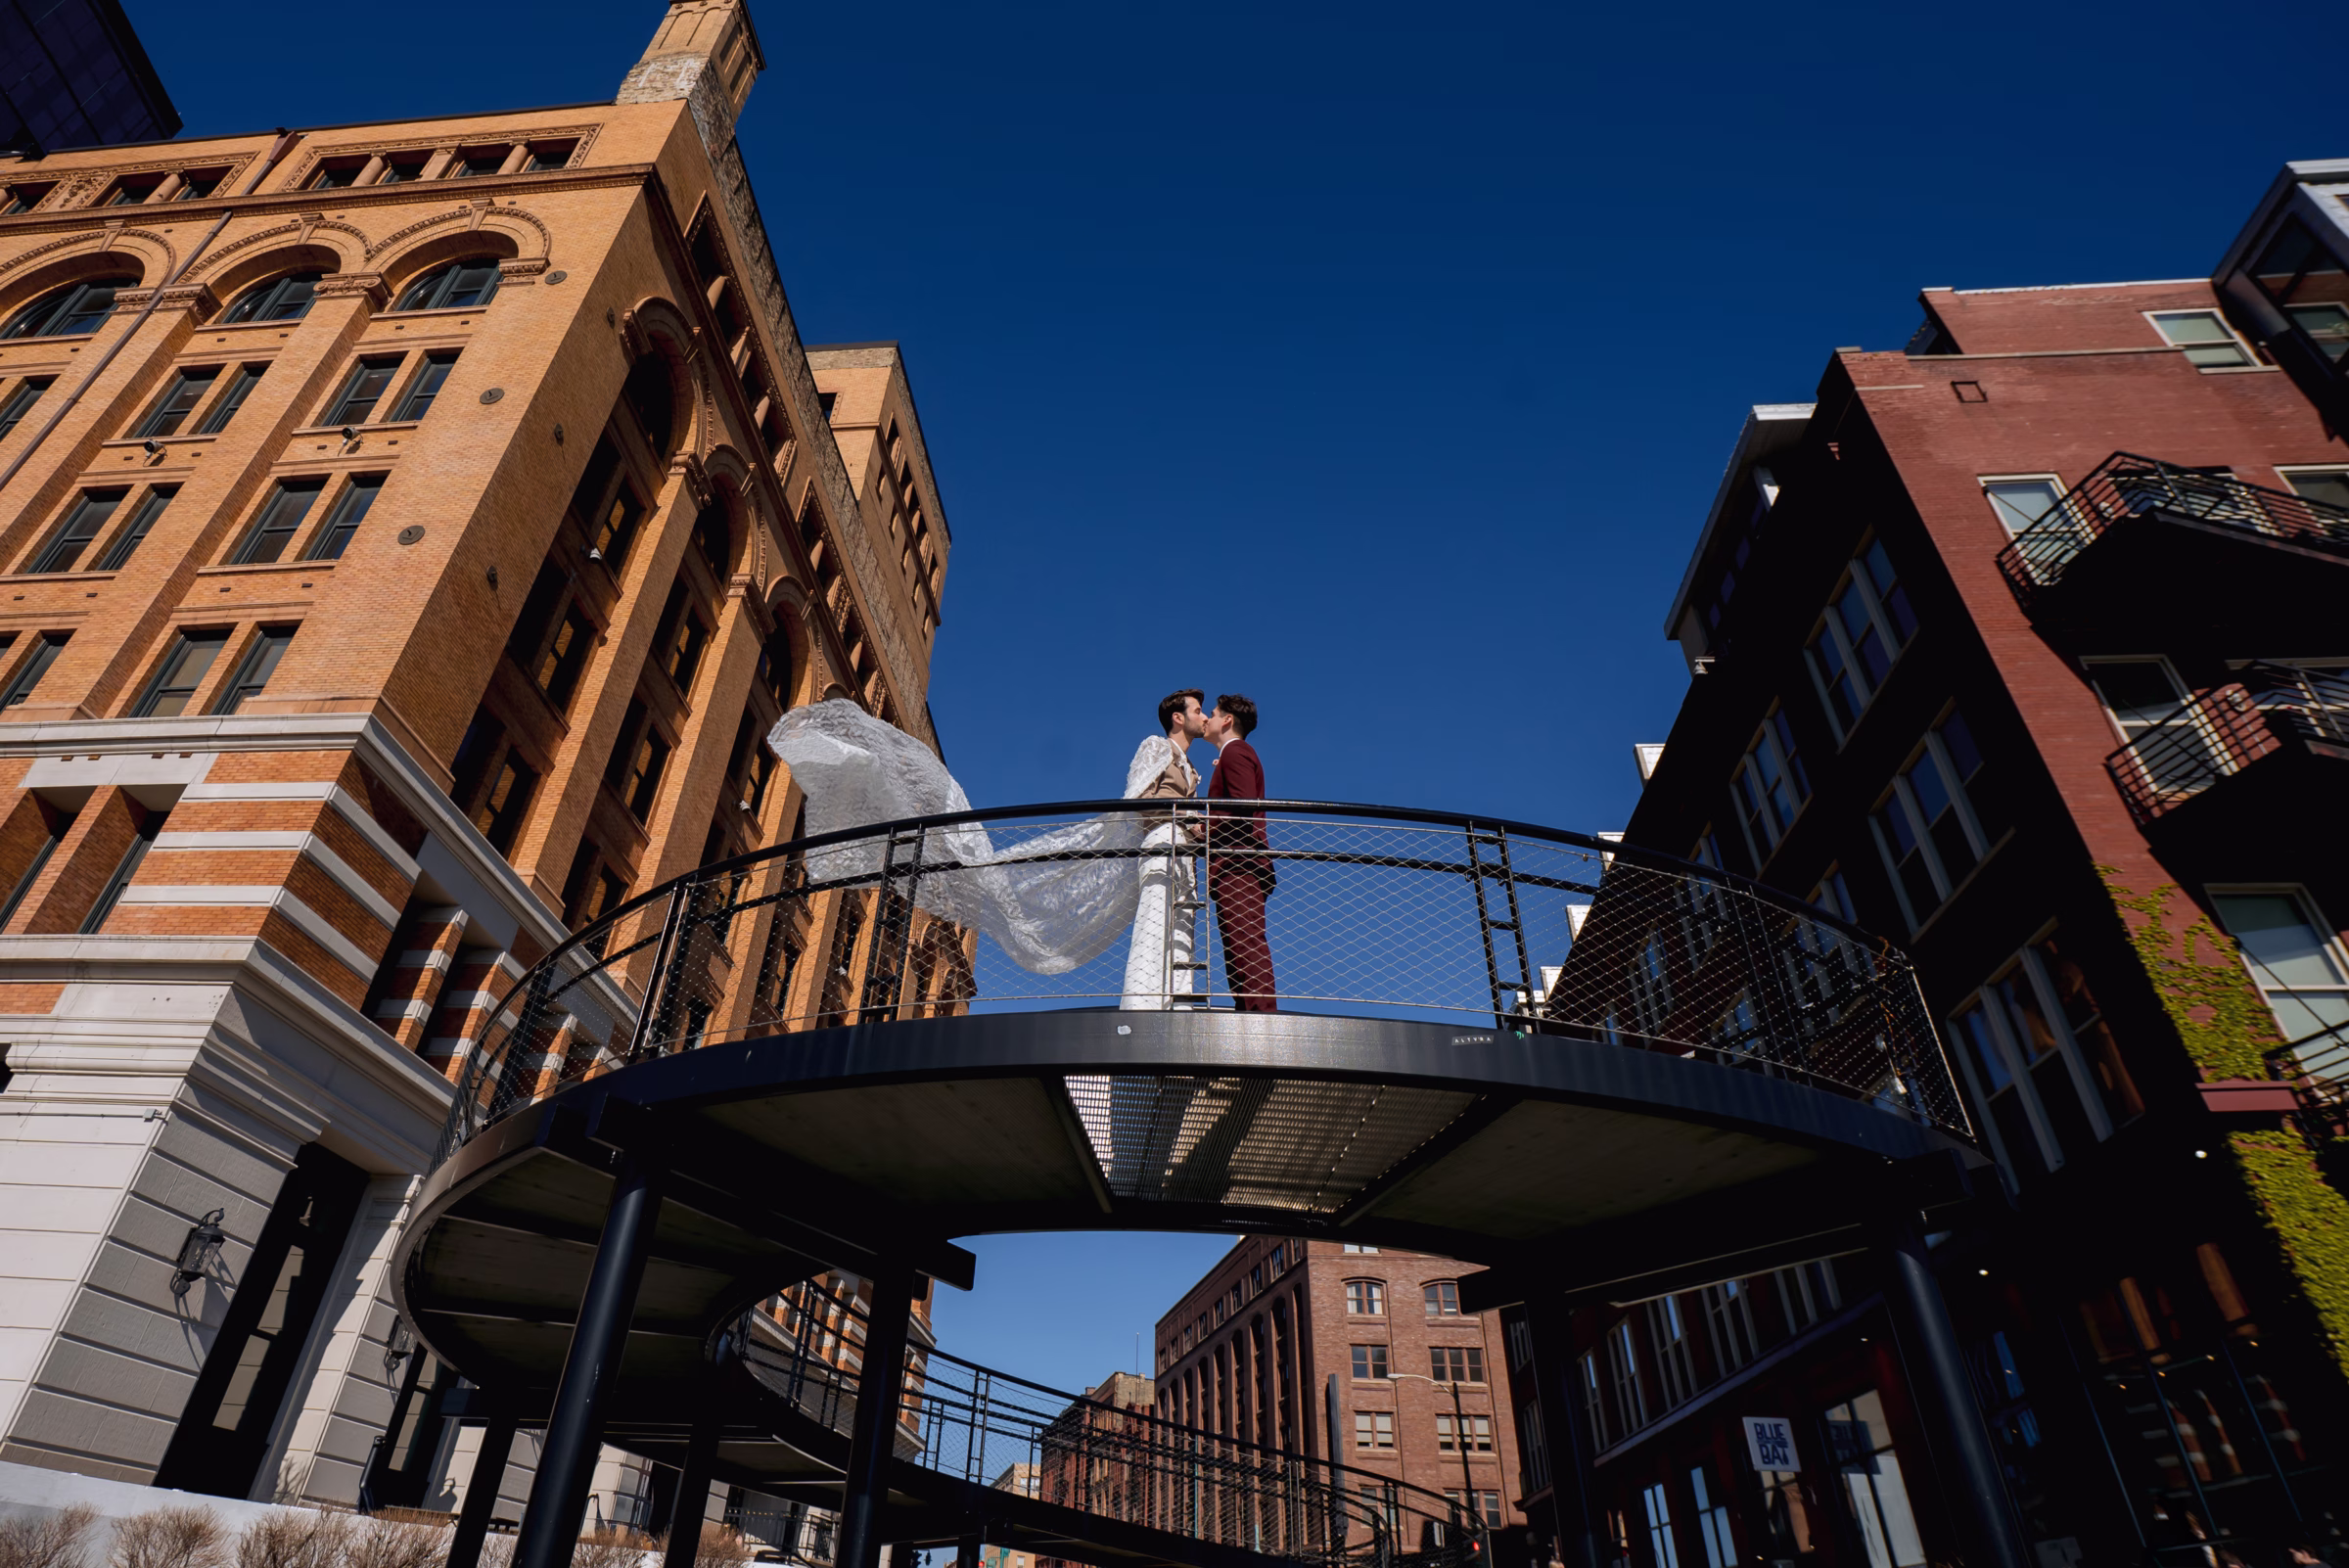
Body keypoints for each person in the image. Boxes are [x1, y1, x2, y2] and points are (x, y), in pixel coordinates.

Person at [1121, 688, 1205, 1009]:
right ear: (1178, 718)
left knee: (1183, 934)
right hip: (1161, 841)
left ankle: (1179, 1010)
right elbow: (1138, 798)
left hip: (1186, 855)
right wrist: (1186, 817)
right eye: (1198, 710)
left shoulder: (1192, 769)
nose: (1205, 716)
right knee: (1154, 926)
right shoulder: (1156, 746)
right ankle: (1140, 1008)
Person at [1203, 694, 1276, 1011]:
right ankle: (1250, 1015)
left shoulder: (1236, 752)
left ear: (1228, 720)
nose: (1207, 718)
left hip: (1239, 863)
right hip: (1235, 864)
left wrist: (1203, 828)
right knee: (1237, 950)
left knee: (1245, 945)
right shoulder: (1231, 755)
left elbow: (1244, 805)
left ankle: (1262, 1022)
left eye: (1214, 713)